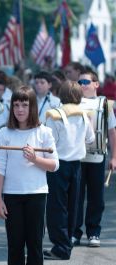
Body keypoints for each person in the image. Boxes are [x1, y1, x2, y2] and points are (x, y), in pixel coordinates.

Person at [0, 86, 59, 265]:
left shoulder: (44, 131)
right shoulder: (4, 132)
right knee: (15, 245)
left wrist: (35, 158)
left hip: (36, 194)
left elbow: (54, 165)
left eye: (24, 105)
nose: (20, 109)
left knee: (35, 244)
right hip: (12, 195)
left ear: (32, 107)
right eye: (16, 105)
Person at [43, 81, 95, 260]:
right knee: (73, 206)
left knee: (56, 207)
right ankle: (67, 243)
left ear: (61, 94)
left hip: (59, 164)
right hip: (76, 165)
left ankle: (60, 246)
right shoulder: (84, 115)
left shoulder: (54, 114)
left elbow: (49, 143)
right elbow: (90, 139)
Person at [73, 69, 116, 247]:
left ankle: (93, 232)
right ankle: (74, 232)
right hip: (77, 157)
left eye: (86, 82)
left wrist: (114, 157)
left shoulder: (105, 104)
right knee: (75, 197)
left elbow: (112, 132)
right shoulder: (73, 103)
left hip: (97, 157)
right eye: (80, 82)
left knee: (96, 198)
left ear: (96, 84)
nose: (82, 85)